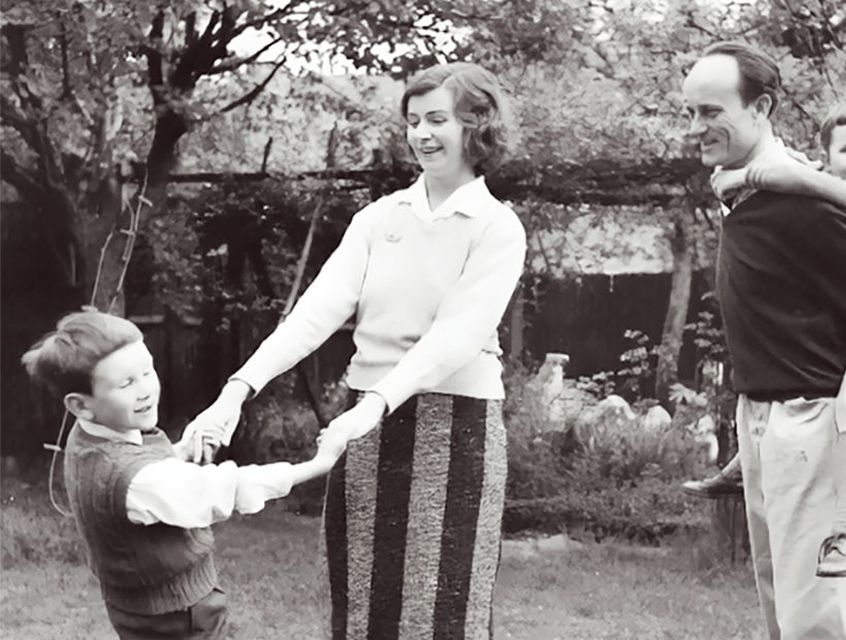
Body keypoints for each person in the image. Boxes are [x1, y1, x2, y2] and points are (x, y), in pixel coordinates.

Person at [186, 61, 526, 640]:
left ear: (477, 125)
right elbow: (316, 314)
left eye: (437, 119)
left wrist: (370, 407)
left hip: (455, 426)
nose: (421, 133)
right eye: (413, 120)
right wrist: (236, 390)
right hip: (366, 428)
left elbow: (455, 338)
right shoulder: (377, 219)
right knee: (361, 603)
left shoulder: (496, 227)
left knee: (441, 612)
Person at [682, 42, 846, 639]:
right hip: (768, 416)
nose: (696, 128)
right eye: (690, 112)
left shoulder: (801, 205)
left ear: (761, 106)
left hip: (814, 419)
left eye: (711, 111)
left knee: (814, 624)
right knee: (784, 614)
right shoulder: (750, 193)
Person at [20, 310, 337, 640]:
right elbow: (225, 489)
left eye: (147, 371)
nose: (146, 389)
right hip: (179, 618)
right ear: (81, 405)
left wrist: (183, 449)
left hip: (138, 609)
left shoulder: (89, 437)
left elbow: (136, 468)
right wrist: (318, 464)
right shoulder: (140, 480)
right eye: (126, 383)